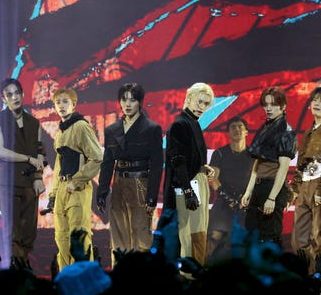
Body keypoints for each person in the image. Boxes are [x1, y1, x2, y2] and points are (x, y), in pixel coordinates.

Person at [96, 83, 163, 266]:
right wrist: (102, 191)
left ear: (140, 102)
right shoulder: (112, 129)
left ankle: (142, 282)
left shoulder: (152, 128)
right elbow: (108, 162)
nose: (127, 104)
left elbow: (157, 165)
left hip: (140, 181)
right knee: (118, 236)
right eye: (124, 99)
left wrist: (152, 197)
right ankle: (120, 281)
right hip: (118, 184)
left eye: (132, 100)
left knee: (141, 235)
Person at [0, 78, 46, 270]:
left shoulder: (33, 122)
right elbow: (0, 152)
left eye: (16, 93)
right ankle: (19, 268)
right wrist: (28, 159)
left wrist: (38, 177)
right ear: (4, 98)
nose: (14, 97)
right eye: (9, 94)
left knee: (29, 231)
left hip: (30, 182)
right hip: (8, 182)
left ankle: (23, 263)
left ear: (22, 94)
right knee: (12, 231)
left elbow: (39, 151)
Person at [47, 88, 103, 271]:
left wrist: (76, 181)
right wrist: (54, 193)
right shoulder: (60, 132)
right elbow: (58, 165)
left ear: (73, 104)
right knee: (61, 238)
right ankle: (66, 281)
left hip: (77, 188)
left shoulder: (81, 126)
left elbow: (97, 157)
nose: (61, 106)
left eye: (65, 102)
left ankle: (85, 282)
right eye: (58, 102)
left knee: (78, 237)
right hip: (63, 187)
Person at [161, 82, 215, 266]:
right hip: (189, 187)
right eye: (199, 102)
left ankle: (194, 274)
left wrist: (203, 167)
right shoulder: (180, 124)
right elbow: (177, 160)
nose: (202, 107)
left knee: (198, 234)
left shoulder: (191, 123)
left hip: (196, 183)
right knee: (191, 236)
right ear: (189, 98)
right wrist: (188, 191)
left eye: (206, 104)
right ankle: (189, 277)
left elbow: (188, 157)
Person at [240, 86, 297, 248]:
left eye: (273, 104)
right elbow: (257, 162)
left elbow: (283, 168)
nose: (268, 108)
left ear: (283, 106)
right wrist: (249, 190)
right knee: (252, 236)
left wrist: (272, 197)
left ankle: (272, 273)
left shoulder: (287, 132)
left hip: (272, 188)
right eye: (266, 104)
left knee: (269, 239)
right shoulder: (265, 128)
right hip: (258, 187)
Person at [207, 116, 254, 264]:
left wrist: (246, 199)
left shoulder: (254, 155)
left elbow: (257, 178)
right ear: (228, 133)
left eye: (240, 127)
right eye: (233, 127)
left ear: (246, 132)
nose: (237, 129)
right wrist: (228, 198)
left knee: (247, 242)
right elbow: (213, 179)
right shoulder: (220, 153)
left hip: (247, 203)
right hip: (224, 201)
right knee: (214, 237)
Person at [290, 86, 321, 275]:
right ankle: (308, 278)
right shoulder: (309, 131)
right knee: (299, 239)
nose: (317, 103)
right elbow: (301, 164)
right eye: (315, 100)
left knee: (318, 237)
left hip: (318, 186)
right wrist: (295, 188)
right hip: (305, 186)